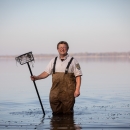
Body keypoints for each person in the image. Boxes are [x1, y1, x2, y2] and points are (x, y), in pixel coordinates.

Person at [31, 41, 82, 115]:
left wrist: (77, 90)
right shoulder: (53, 61)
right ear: (57, 49)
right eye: (60, 47)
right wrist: (36, 77)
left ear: (67, 48)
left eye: (64, 47)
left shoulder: (74, 61)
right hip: (55, 93)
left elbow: (78, 76)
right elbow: (46, 73)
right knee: (55, 114)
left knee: (68, 115)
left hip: (68, 93)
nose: (62, 49)